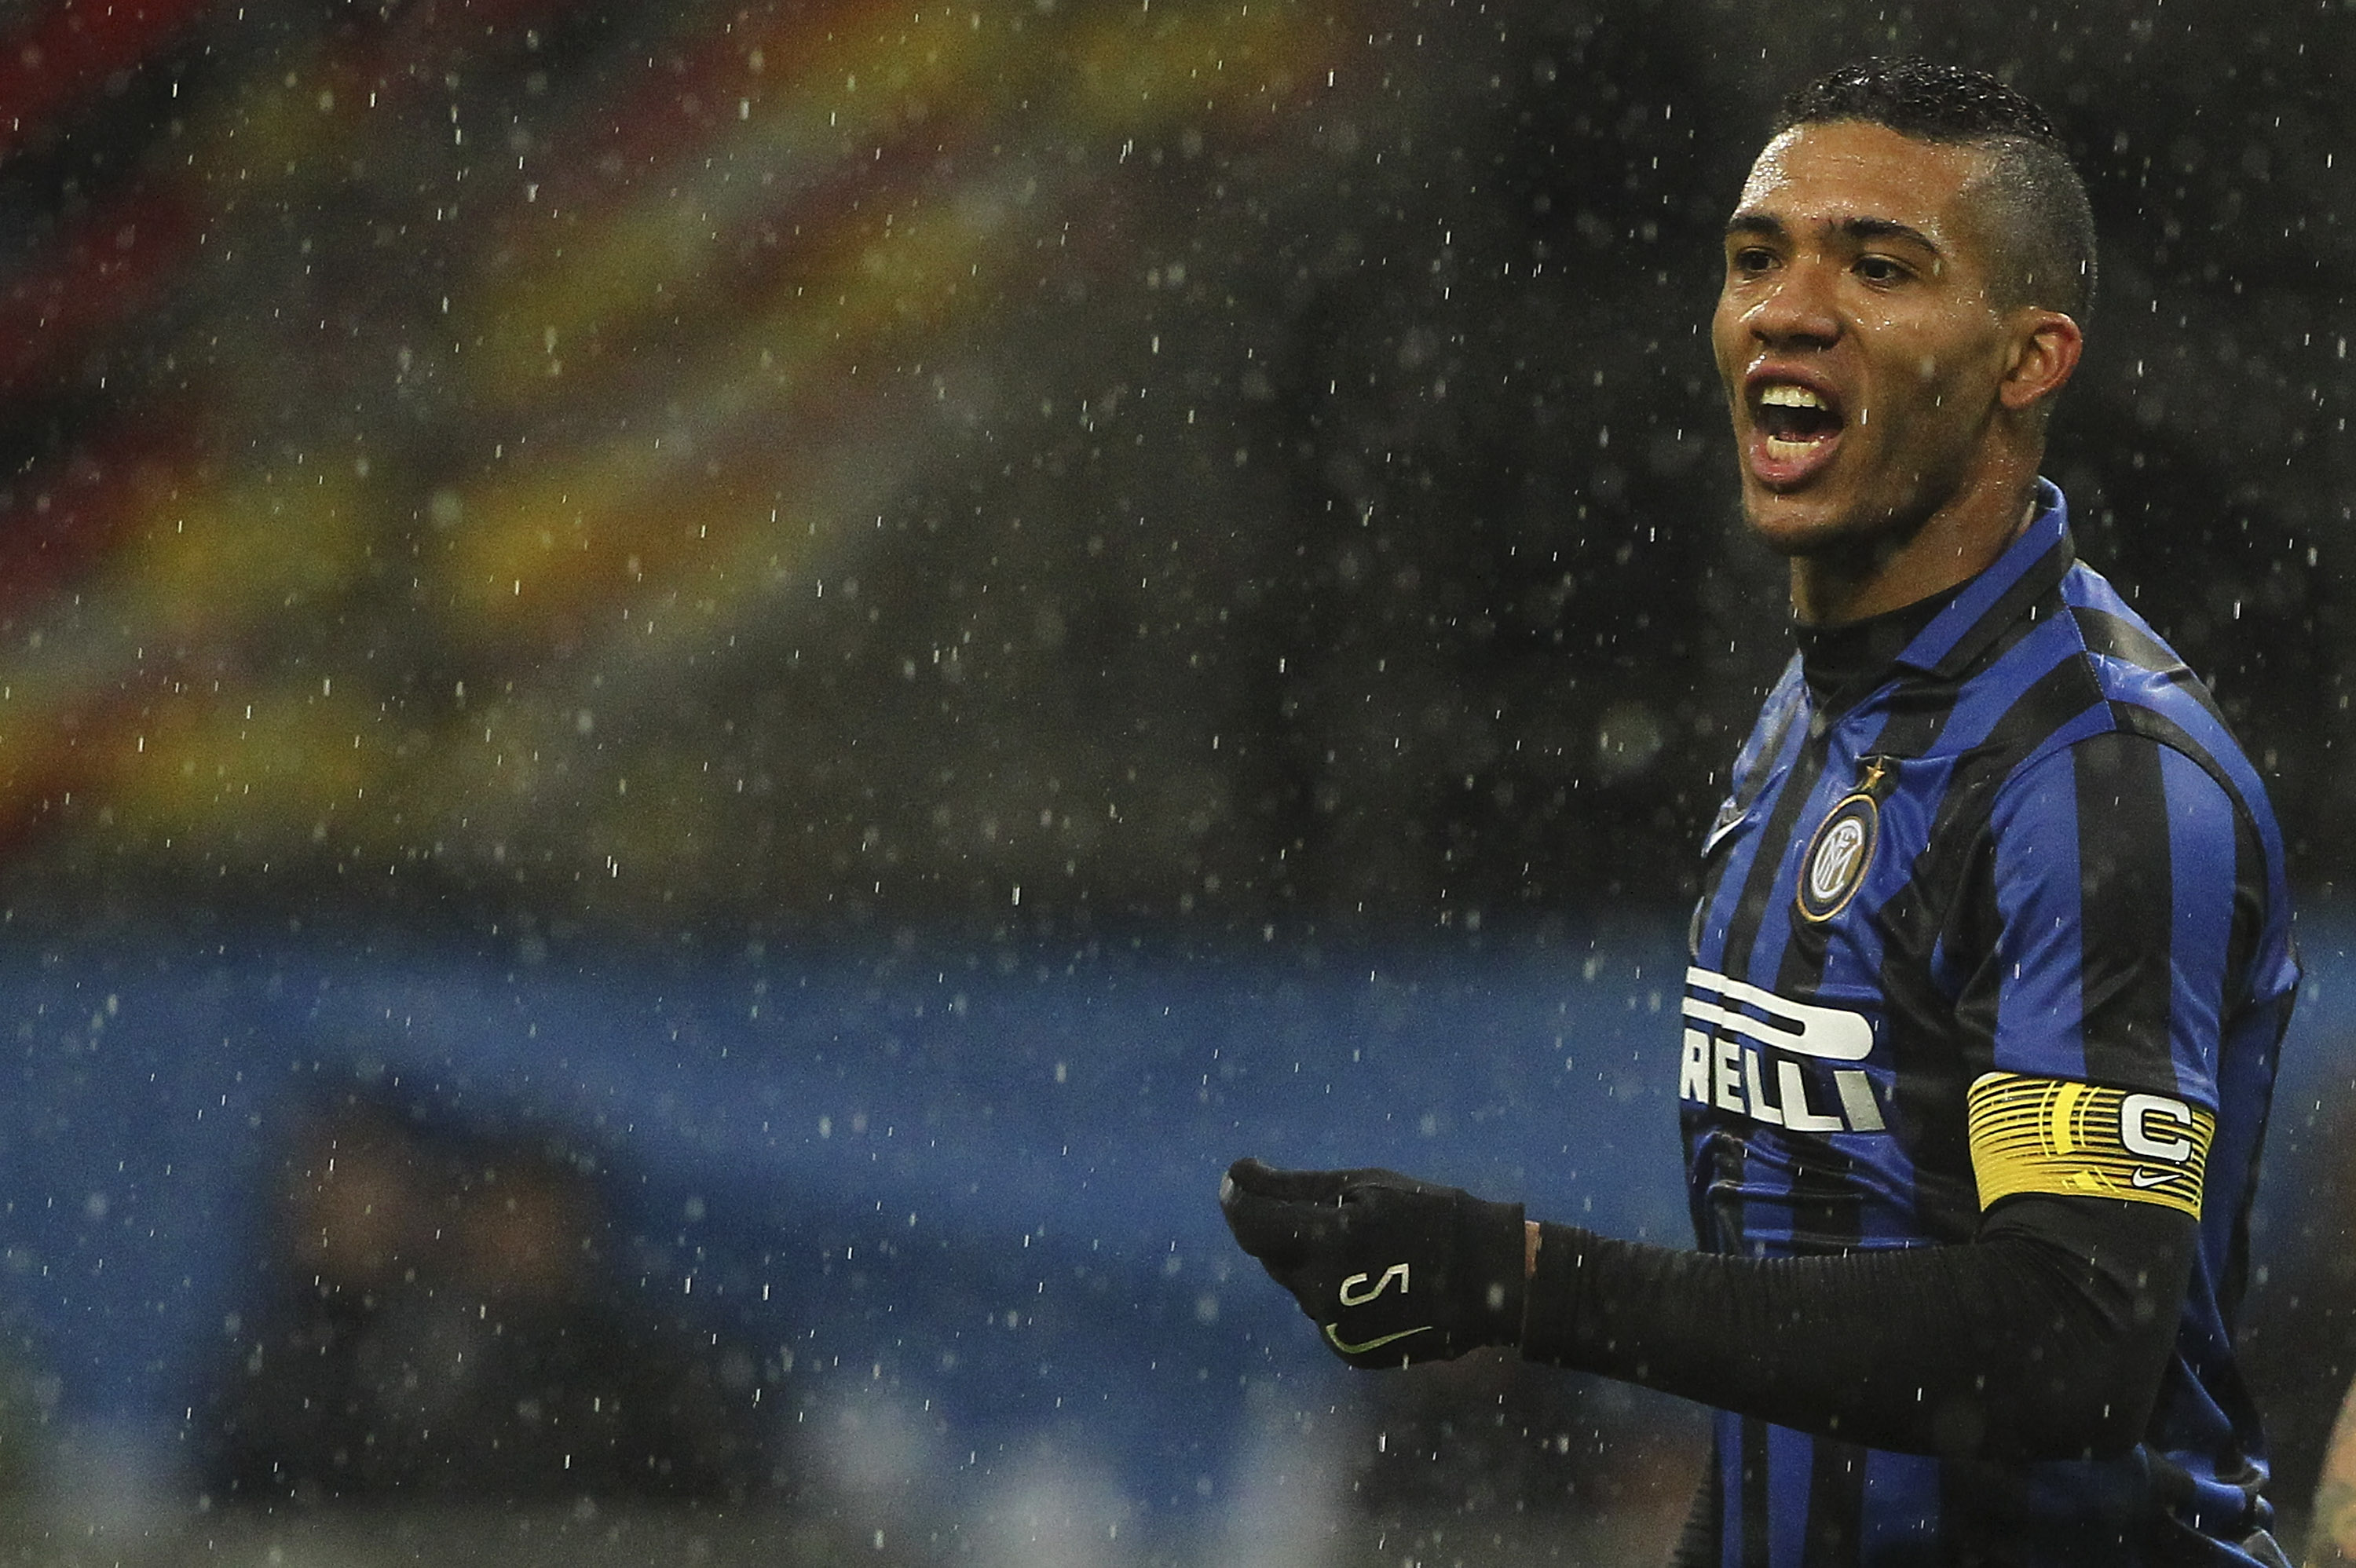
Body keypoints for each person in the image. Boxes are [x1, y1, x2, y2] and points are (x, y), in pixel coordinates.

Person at [1220, 57, 2300, 1567]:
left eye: (1877, 265)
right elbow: (1799, 1342)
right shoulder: (1812, 713)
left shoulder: (2101, 780)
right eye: (1755, 258)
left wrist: (1530, 1284)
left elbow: (2070, 1337)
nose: (1789, 308)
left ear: (2029, 358)